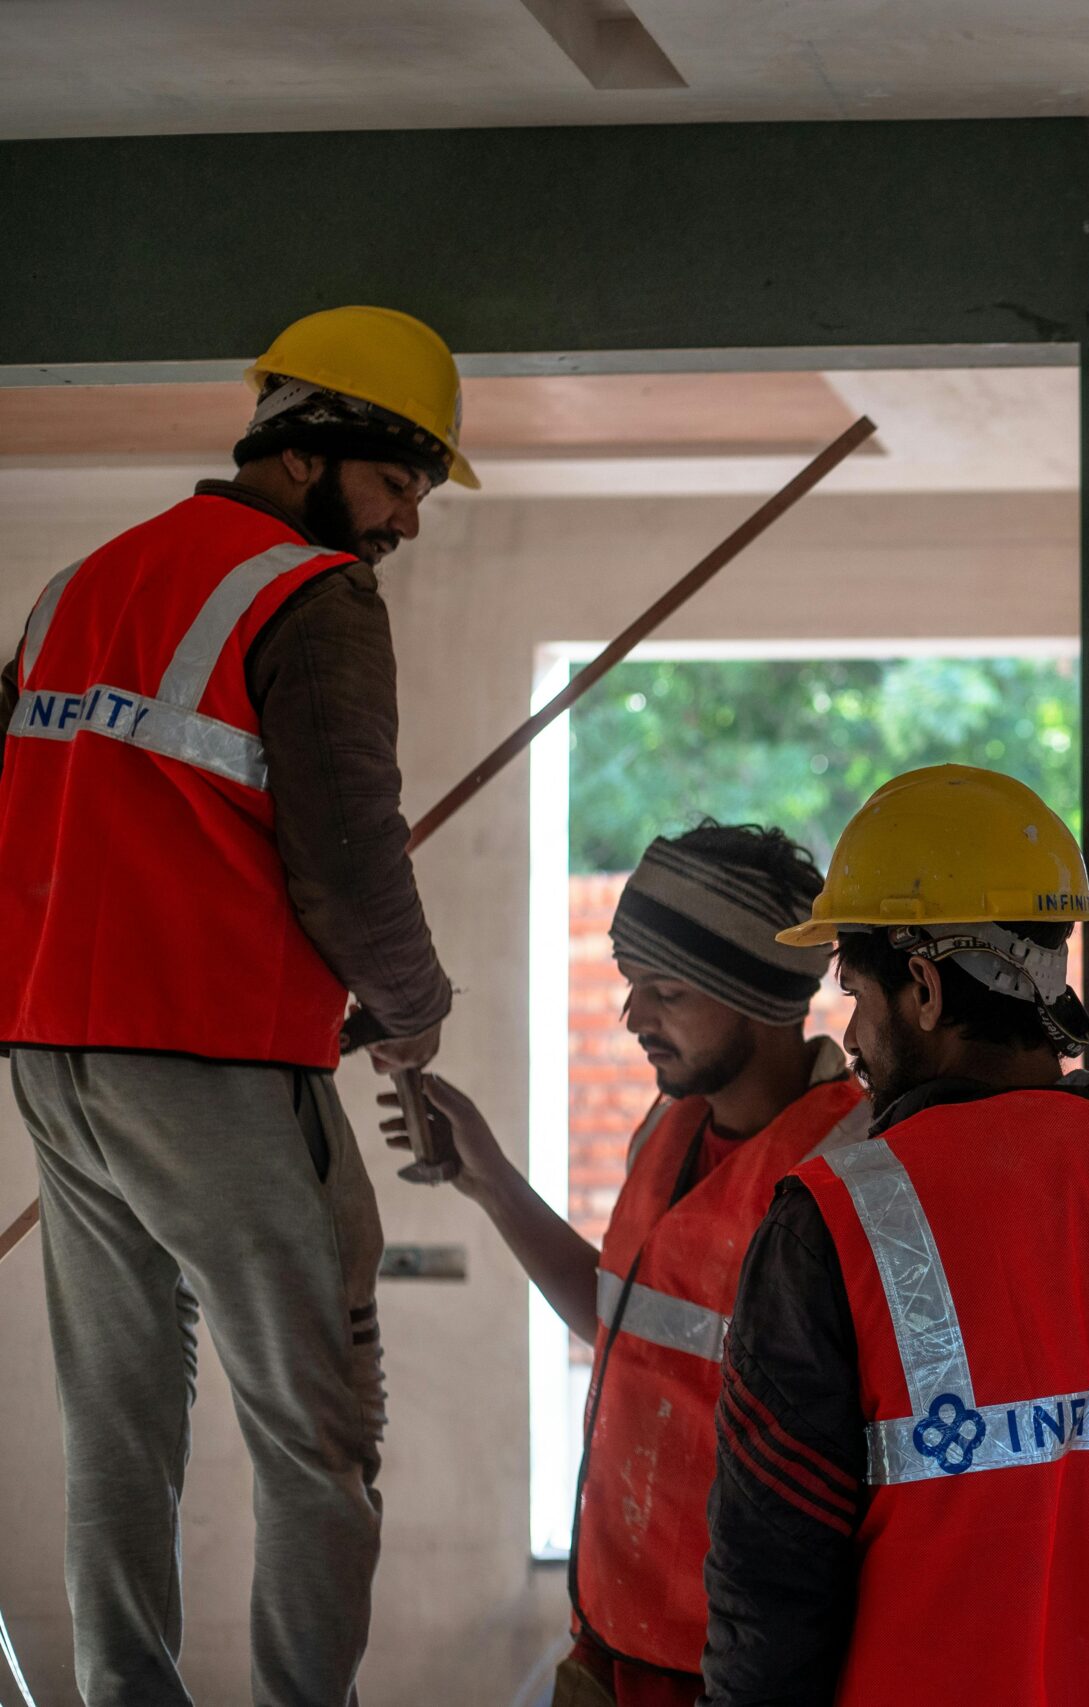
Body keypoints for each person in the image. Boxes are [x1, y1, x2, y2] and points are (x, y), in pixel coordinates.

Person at [0, 304, 470, 1705]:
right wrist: (408, 1000)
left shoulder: (77, 584)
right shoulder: (311, 599)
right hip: (208, 1058)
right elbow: (348, 839)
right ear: (313, 452)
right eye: (398, 484)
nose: (405, 523)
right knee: (316, 1429)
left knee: (118, 1421)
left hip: (50, 1053)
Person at [695, 765, 1089, 1705]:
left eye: (856, 992)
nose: (850, 1037)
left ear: (924, 989)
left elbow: (770, 1614)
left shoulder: (835, 1225)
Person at [376, 824, 860, 1706]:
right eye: (635, 984)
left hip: (739, 1672)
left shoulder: (844, 1172)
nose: (635, 1016)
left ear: (757, 994)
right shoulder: (667, 1131)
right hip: (611, 1634)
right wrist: (489, 1181)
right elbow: (621, 1325)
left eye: (667, 990)